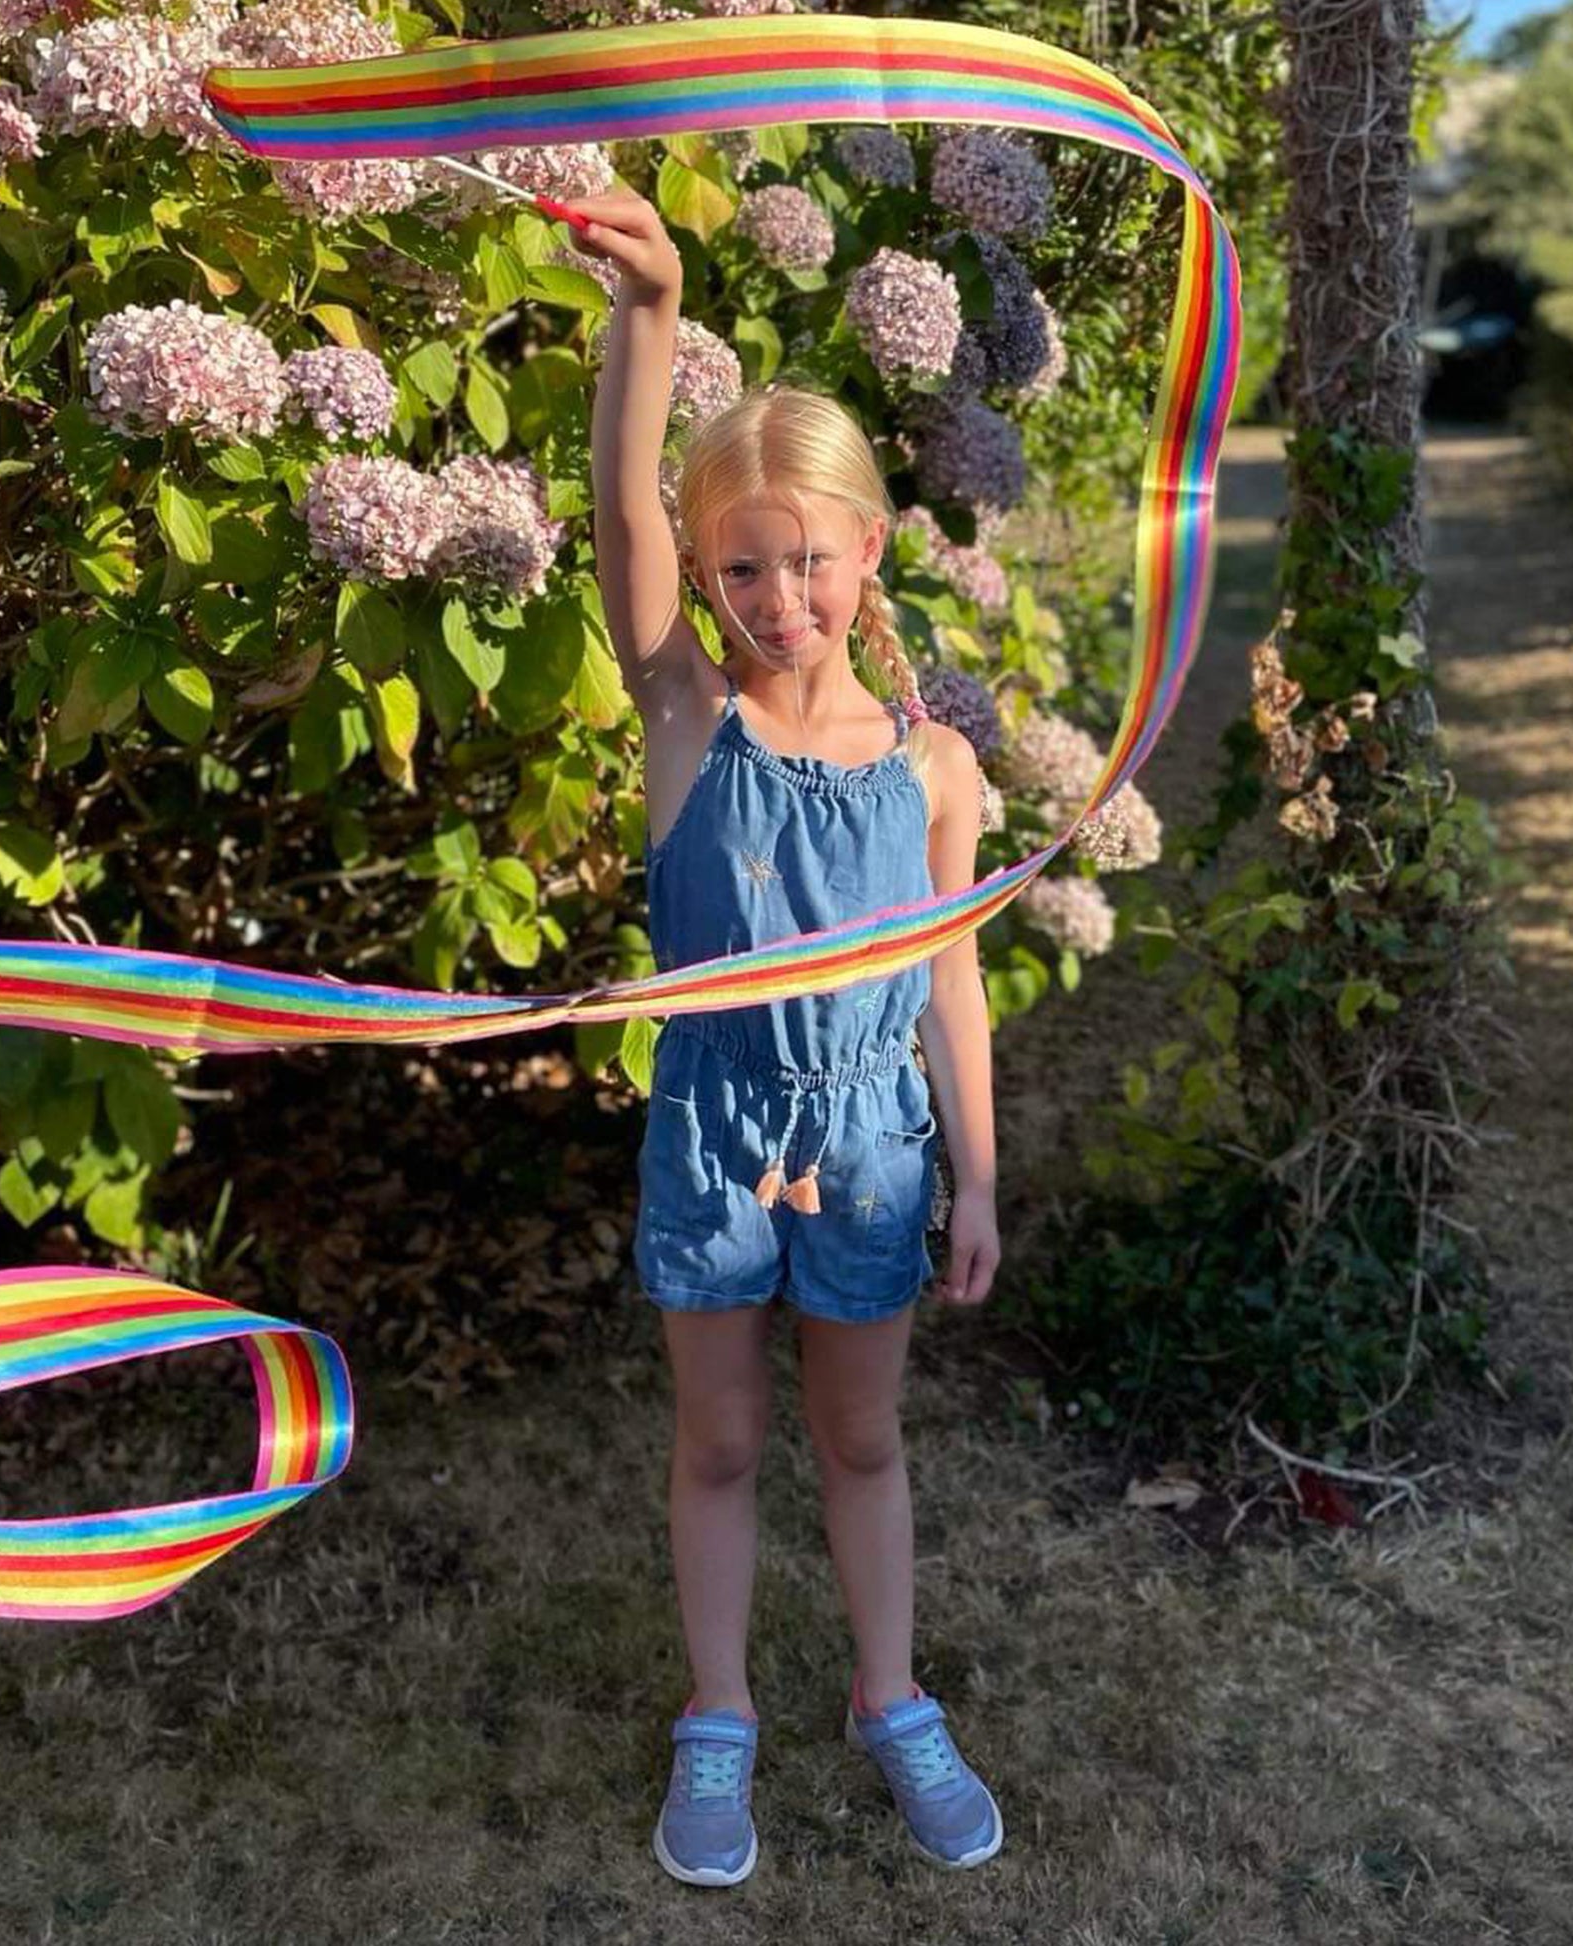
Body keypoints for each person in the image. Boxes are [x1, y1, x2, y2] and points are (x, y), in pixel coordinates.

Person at [577, 187, 1004, 1887]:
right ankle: (718, 1712)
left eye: (804, 556)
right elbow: (617, 518)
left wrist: (975, 1176)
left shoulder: (935, 768)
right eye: (738, 565)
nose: (773, 593)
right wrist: (648, 317)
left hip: (875, 1145)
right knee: (723, 1439)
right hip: (715, 1132)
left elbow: (951, 982)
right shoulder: (690, 722)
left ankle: (889, 1695)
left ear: (868, 549)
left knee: (862, 1435)